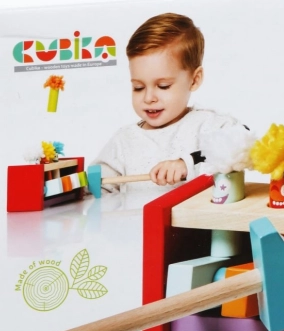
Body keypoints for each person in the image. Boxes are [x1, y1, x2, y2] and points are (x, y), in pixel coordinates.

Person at [91, 13, 242, 195]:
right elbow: (97, 187)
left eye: (163, 86)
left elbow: (242, 144)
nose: (148, 98)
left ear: (194, 80)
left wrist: (187, 163)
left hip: (193, 215)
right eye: (138, 87)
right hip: (137, 215)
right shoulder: (123, 141)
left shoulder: (208, 125)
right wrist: (82, 189)